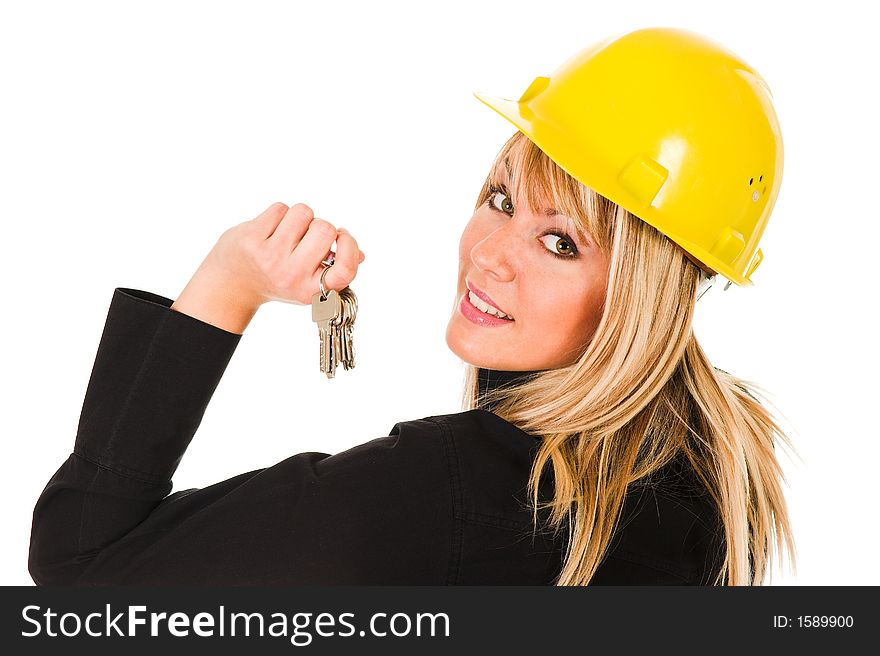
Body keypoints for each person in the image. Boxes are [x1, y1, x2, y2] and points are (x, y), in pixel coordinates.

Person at [28, 27, 796, 586]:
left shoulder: (458, 493)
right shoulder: (714, 469)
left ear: (646, 293)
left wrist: (227, 284)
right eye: (501, 200)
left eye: (561, 242)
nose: (490, 253)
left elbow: (79, 570)